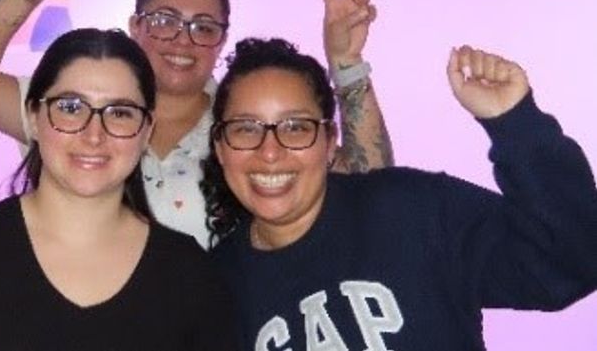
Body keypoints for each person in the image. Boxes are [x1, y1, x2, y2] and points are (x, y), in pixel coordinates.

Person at [0, 0, 393, 247]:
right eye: (164, 21)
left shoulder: (246, 129)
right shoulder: (80, 114)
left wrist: (347, 62)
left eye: (203, 26)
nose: (182, 39)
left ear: (221, 40)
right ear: (136, 25)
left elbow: (371, 184)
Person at [0, 29, 237, 351]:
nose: (93, 134)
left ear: (146, 130)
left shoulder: (188, 272)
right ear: (33, 116)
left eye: (120, 113)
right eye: (70, 107)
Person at [204, 38, 597, 350]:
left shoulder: (410, 211)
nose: (269, 152)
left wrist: (516, 123)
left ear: (329, 141)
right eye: (245, 128)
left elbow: (569, 262)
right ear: (220, 147)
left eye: (295, 127)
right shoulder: (215, 286)